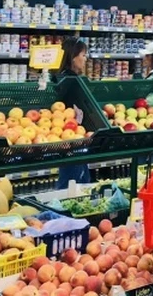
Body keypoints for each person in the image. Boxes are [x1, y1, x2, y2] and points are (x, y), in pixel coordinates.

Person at [54, 36, 91, 189]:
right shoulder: (70, 81)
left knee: (77, 177)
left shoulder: (61, 77)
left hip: (70, 135)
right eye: (83, 55)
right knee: (73, 181)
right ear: (73, 57)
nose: (85, 59)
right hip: (72, 138)